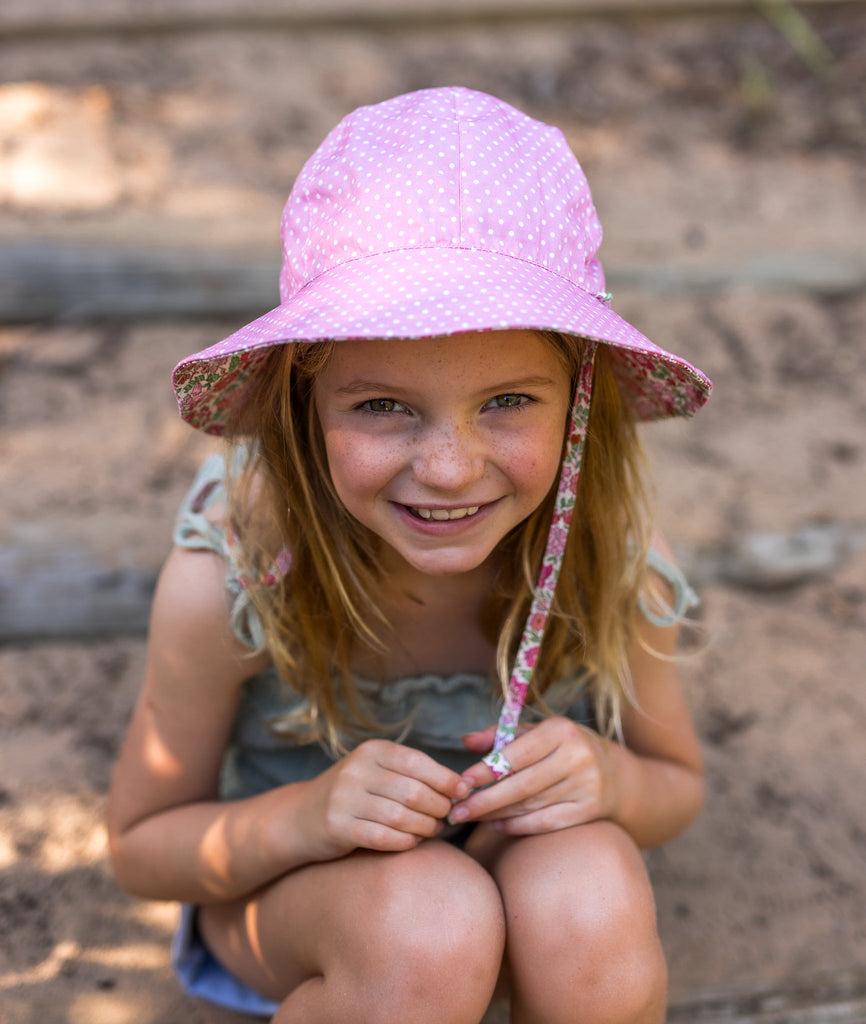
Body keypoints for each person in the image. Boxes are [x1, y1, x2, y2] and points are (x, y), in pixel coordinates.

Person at [108, 87, 712, 1024]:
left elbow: (675, 787)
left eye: (509, 401)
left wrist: (611, 775)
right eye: (382, 405)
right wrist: (306, 817)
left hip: (522, 892)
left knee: (589, 893)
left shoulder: (610, 556)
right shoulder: (235, 572)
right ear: (301, 403)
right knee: (431, 927)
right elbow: (142, 846)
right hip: (311, 901)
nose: (448, 467)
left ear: (579, 398)